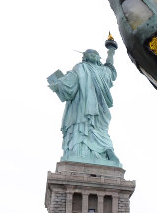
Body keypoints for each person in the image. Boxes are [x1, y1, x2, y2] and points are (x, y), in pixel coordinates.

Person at [48, 37, 121, 167]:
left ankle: (106, 151)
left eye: (95, 54)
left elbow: (110, 67)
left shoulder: (103, 71)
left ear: (99, 58)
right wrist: (59, 84)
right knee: (82, 128)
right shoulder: (80, 67)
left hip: (99, 108)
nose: (93, 56)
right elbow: (69, 81)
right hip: (81, 106)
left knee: (99, 130)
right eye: (90, 54)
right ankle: (79, 153)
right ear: (85, 57)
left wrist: (111, 51)